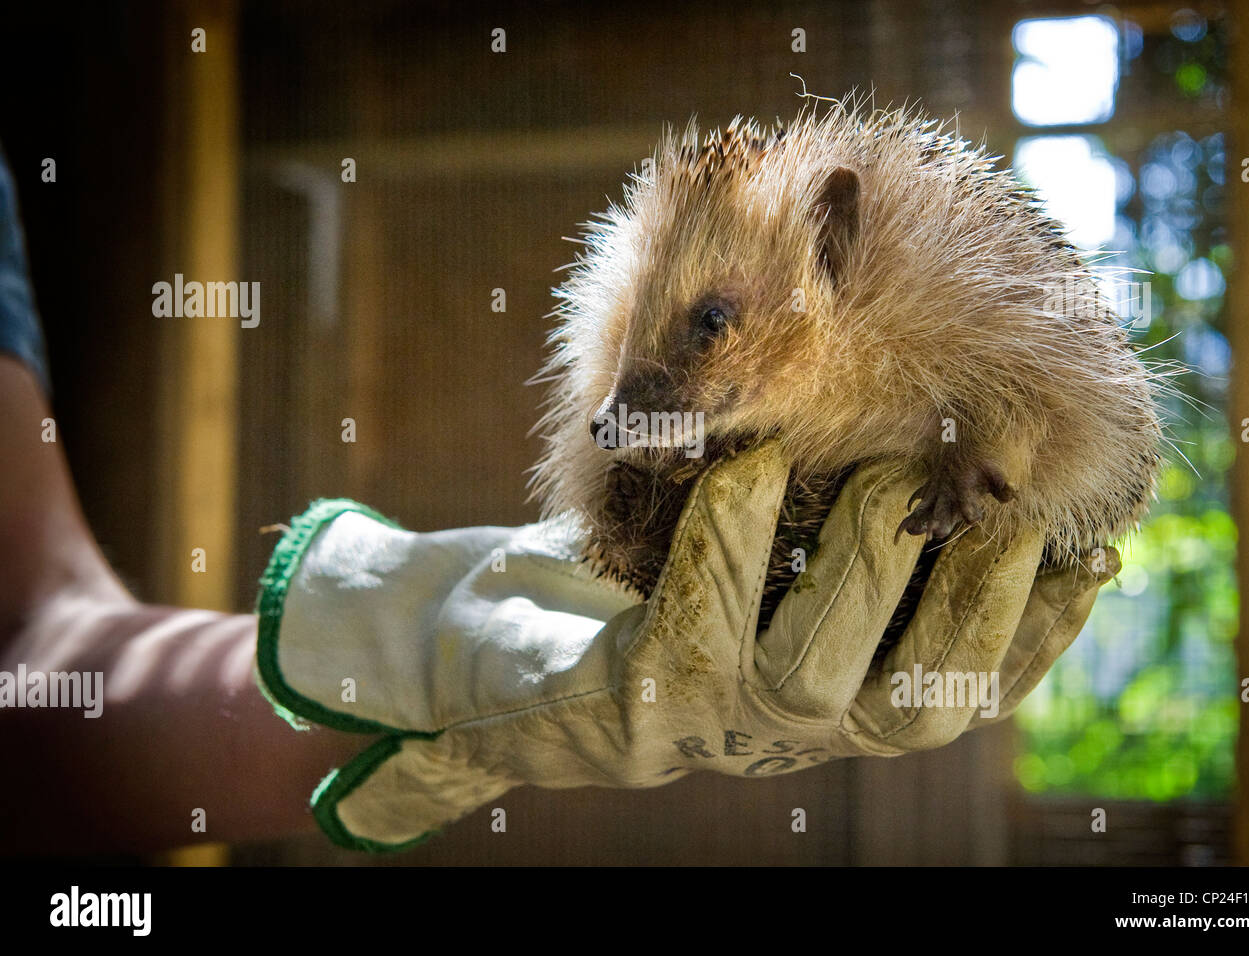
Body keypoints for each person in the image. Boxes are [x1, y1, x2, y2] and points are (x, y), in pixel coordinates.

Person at [0, 149, 1118, 856]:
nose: (628, 405)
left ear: (830, 243)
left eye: (708, 329)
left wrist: (445, 667)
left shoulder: (955, 308)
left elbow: (40, 644)